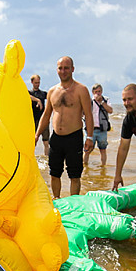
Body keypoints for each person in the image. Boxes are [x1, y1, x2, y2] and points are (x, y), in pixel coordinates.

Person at [34, 56, 94, 198]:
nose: (63, 71)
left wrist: (90, 137)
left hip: (74, 137)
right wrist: (36, 135)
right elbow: (46, 115)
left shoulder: (81, 90)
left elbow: (89, 115)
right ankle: (57, 200)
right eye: (60, 68)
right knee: (54, 173)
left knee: (74, 175)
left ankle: (74, 204)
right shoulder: (52, 91)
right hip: (56, 138)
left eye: (66, 68)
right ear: (57, 70)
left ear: (72, 69)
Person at [84, 83, 113, 166]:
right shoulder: (88, 101)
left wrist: (102, 103)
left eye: (99, 91)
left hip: (102, 130)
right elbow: (83, 113)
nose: (98, 93)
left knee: (103, 150)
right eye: (96, 91)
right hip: (90, 130)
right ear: (93, 92)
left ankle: (103, 168)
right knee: (87, 150)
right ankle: (85, 168)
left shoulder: (106, 100)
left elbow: (110, 111)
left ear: (102, 91)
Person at [29, 75, 49, 156]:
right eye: (36, 83)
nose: (37, 84)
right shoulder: (29, 93)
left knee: (46, 141)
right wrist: (38, 100)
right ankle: (32, 158)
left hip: (43, 120)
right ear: (32, 82)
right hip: (33, 120)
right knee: (32, 142)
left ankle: (47, 160)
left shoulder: (43, 93)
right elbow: (27, 96)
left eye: (38, 83)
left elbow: (52, 98)